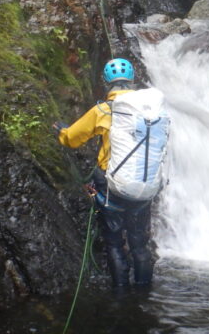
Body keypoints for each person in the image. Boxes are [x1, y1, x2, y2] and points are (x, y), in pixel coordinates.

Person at [53, 58, 156, 290]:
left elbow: (71, 139)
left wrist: (61, 131)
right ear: (132, 80)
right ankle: (144, 292)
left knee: (115, 242)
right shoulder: (151, 111)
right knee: (139, 244)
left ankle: (121, 292)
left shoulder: (102, 110)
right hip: (144, 184)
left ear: (106, 82)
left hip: (112, 186)